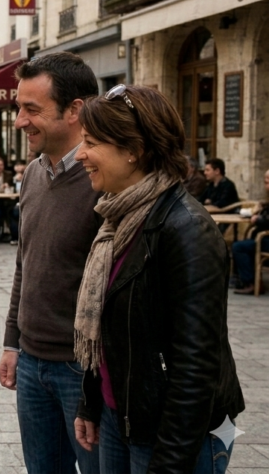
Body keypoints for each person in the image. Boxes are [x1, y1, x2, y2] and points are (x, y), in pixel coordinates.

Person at [72, 84, 244, 472]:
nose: (80, 154)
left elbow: (197, 365)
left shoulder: (186, 229)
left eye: (91, 142)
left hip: (173, 437)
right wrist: (92, 401)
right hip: (121, 423)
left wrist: (169, 463)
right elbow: (109, 329)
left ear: (134, 150)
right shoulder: (116, 219)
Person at [0, 51, 103, 474]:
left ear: (75, 110)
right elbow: (26, 262)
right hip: (32, 361)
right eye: (19, 108)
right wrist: (11, 341)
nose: (20, 120)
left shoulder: (103, 178)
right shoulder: (33, 173)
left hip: (82, 369)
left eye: (31, 109)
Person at [231, 168, 269, 295]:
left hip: (265, 239)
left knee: (239, 247)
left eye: (268, 181)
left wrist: (259, 219)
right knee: (245, 244)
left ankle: (251, 283)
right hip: (261, 238)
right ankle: (249, 280)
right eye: (265, 181)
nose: (266, 185)